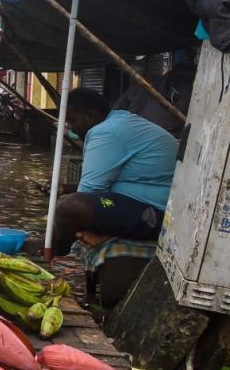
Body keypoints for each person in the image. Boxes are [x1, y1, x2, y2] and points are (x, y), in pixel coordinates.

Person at [51, 89, 178, 256]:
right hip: (144, 205)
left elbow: (89, 191)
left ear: (91, 116)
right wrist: (67, 189)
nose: (69, 127)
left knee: (69, 207)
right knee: (68, 201)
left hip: (156, 215)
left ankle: (55, 250)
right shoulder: (117, 121)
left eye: (72, 120)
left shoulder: (106, 132)